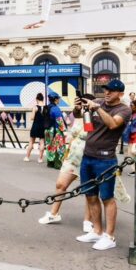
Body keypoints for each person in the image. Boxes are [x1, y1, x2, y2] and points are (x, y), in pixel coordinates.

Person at [75, 79, 130, 251]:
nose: (106, 93)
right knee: (90, 196)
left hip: (106, 159)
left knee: (107, 198)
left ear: (120, 94)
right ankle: (97, 231)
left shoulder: (124, 109)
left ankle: (109, 236)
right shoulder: (98, 102)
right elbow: (80, 118)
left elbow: (113, 124)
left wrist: (97, 108)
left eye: (111, 91)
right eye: (105, 90)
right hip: (88, 156)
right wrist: (78, 108)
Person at [39, 94, 94, 228]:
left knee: (89, 190)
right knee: (60, 185)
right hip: (73, 156)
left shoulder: (93, 117)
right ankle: (54, 213)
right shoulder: (78, 115)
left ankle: (88, 220)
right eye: (80, 103)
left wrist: (88, 113)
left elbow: (88, 131)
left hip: (88, 156)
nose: (81, 106)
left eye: (84, 103)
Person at [43, 92, 67, 169]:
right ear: (56, 99)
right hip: (56, 131)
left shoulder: (47, 107)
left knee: (50, 146)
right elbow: (59, 120)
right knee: (59, 147)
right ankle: (58, 164)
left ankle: (50, 163)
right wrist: (64, 130)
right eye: (58, 98)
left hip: (48, 130)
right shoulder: (56, 109)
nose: (59, 100)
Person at [24, 93, 47, 163]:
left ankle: (27, 157)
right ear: (42, 99)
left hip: (35, 125)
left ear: (37, 99)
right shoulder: (46, 107)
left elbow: (32, 117)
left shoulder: (35, 107)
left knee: (31, 142)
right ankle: (40, 159)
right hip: (43, 126)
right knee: (42, 142)